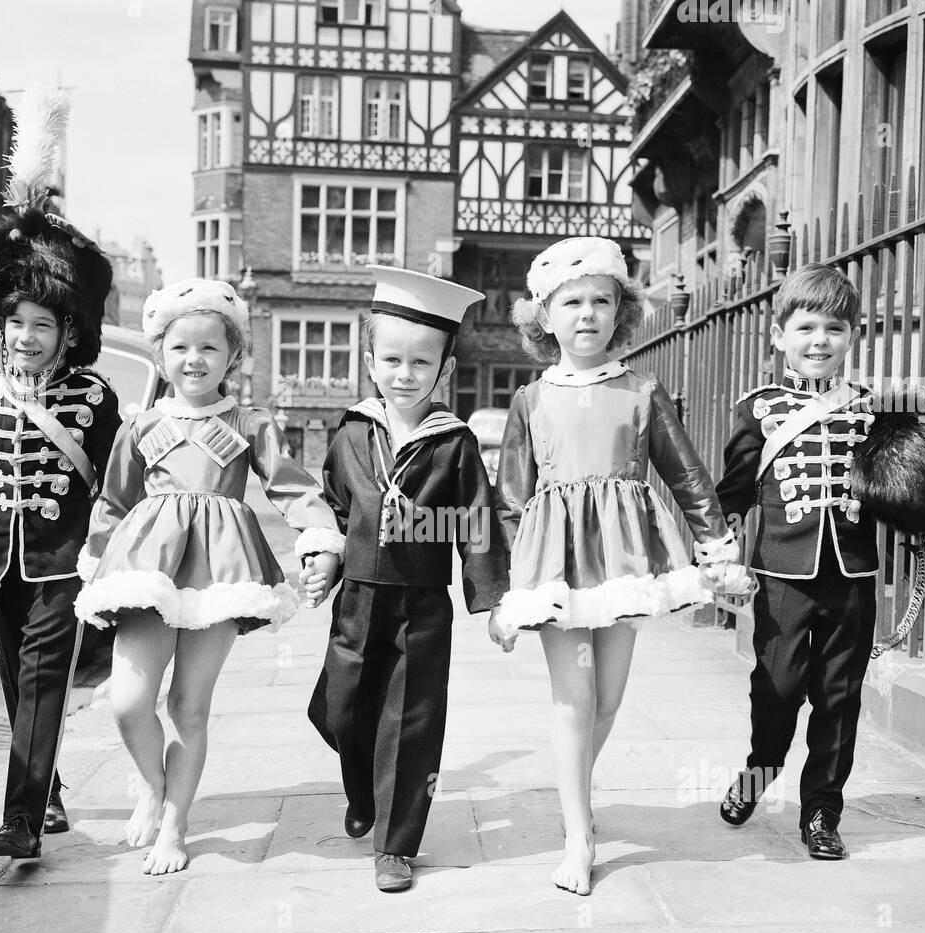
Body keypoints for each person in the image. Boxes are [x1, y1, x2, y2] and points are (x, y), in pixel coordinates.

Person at [495, 236, 749, 896]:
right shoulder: (530, 400)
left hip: (624, 560)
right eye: (570, 302)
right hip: (554, 565)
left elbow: (686, 474)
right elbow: (511, 499)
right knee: (574, 697)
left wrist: (716, 547)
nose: (587, 314)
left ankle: (572, 789)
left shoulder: (642, 392)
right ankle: (578, 837)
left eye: (601, 301)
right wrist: (505, 591)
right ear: (544, 316)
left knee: (606, 700)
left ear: (621, 312)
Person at [75, 279, 344, 875]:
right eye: (179, 347)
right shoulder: (139, 426)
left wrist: (320, 541)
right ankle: (152, 785)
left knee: (188, 708)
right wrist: (94, 561)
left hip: (220, 574)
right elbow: (113, 503)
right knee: (128, 702)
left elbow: (291, 488)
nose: (193, 359)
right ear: (160, 354)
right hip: (146, 572)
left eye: (209, 348)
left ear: (233, 356)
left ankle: (175, 825)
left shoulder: (250, 422)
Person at [0, 88, 121, 862]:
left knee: (45, 679)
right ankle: (45, 793)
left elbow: (117, 482)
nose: (24, 337)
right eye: (14, 323)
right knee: (16, 684)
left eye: (40, 325)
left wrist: (98, 553)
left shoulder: (94, 398)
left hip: (61, 565)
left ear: (67, 332)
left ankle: (20, 819)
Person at [303, 266, 508, 893]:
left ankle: (394, 844)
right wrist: (327, 555)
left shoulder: (455, 443)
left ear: (445, 368)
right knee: (339, 708)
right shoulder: (351, 432)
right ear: (370, 362)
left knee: (410, 719)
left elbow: (476, 522)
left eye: (422, 361)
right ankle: (363, 788)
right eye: (392, 359)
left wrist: (494, 600)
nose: (405, 373)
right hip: (358, 598)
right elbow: (334, 507)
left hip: (422, 603)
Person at [715, 261, 876, 860]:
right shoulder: (759, 408)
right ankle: (760, 769)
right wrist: (725, 556)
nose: (820, 341)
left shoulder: (871, 409)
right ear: (780, 335)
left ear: (852, 336)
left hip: (852, 572)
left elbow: (900, 486)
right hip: (783, 572)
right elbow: (732, 494)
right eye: (806, 328)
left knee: (840, 696)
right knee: (777, 688)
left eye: (835, 329)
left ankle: (822, 813)